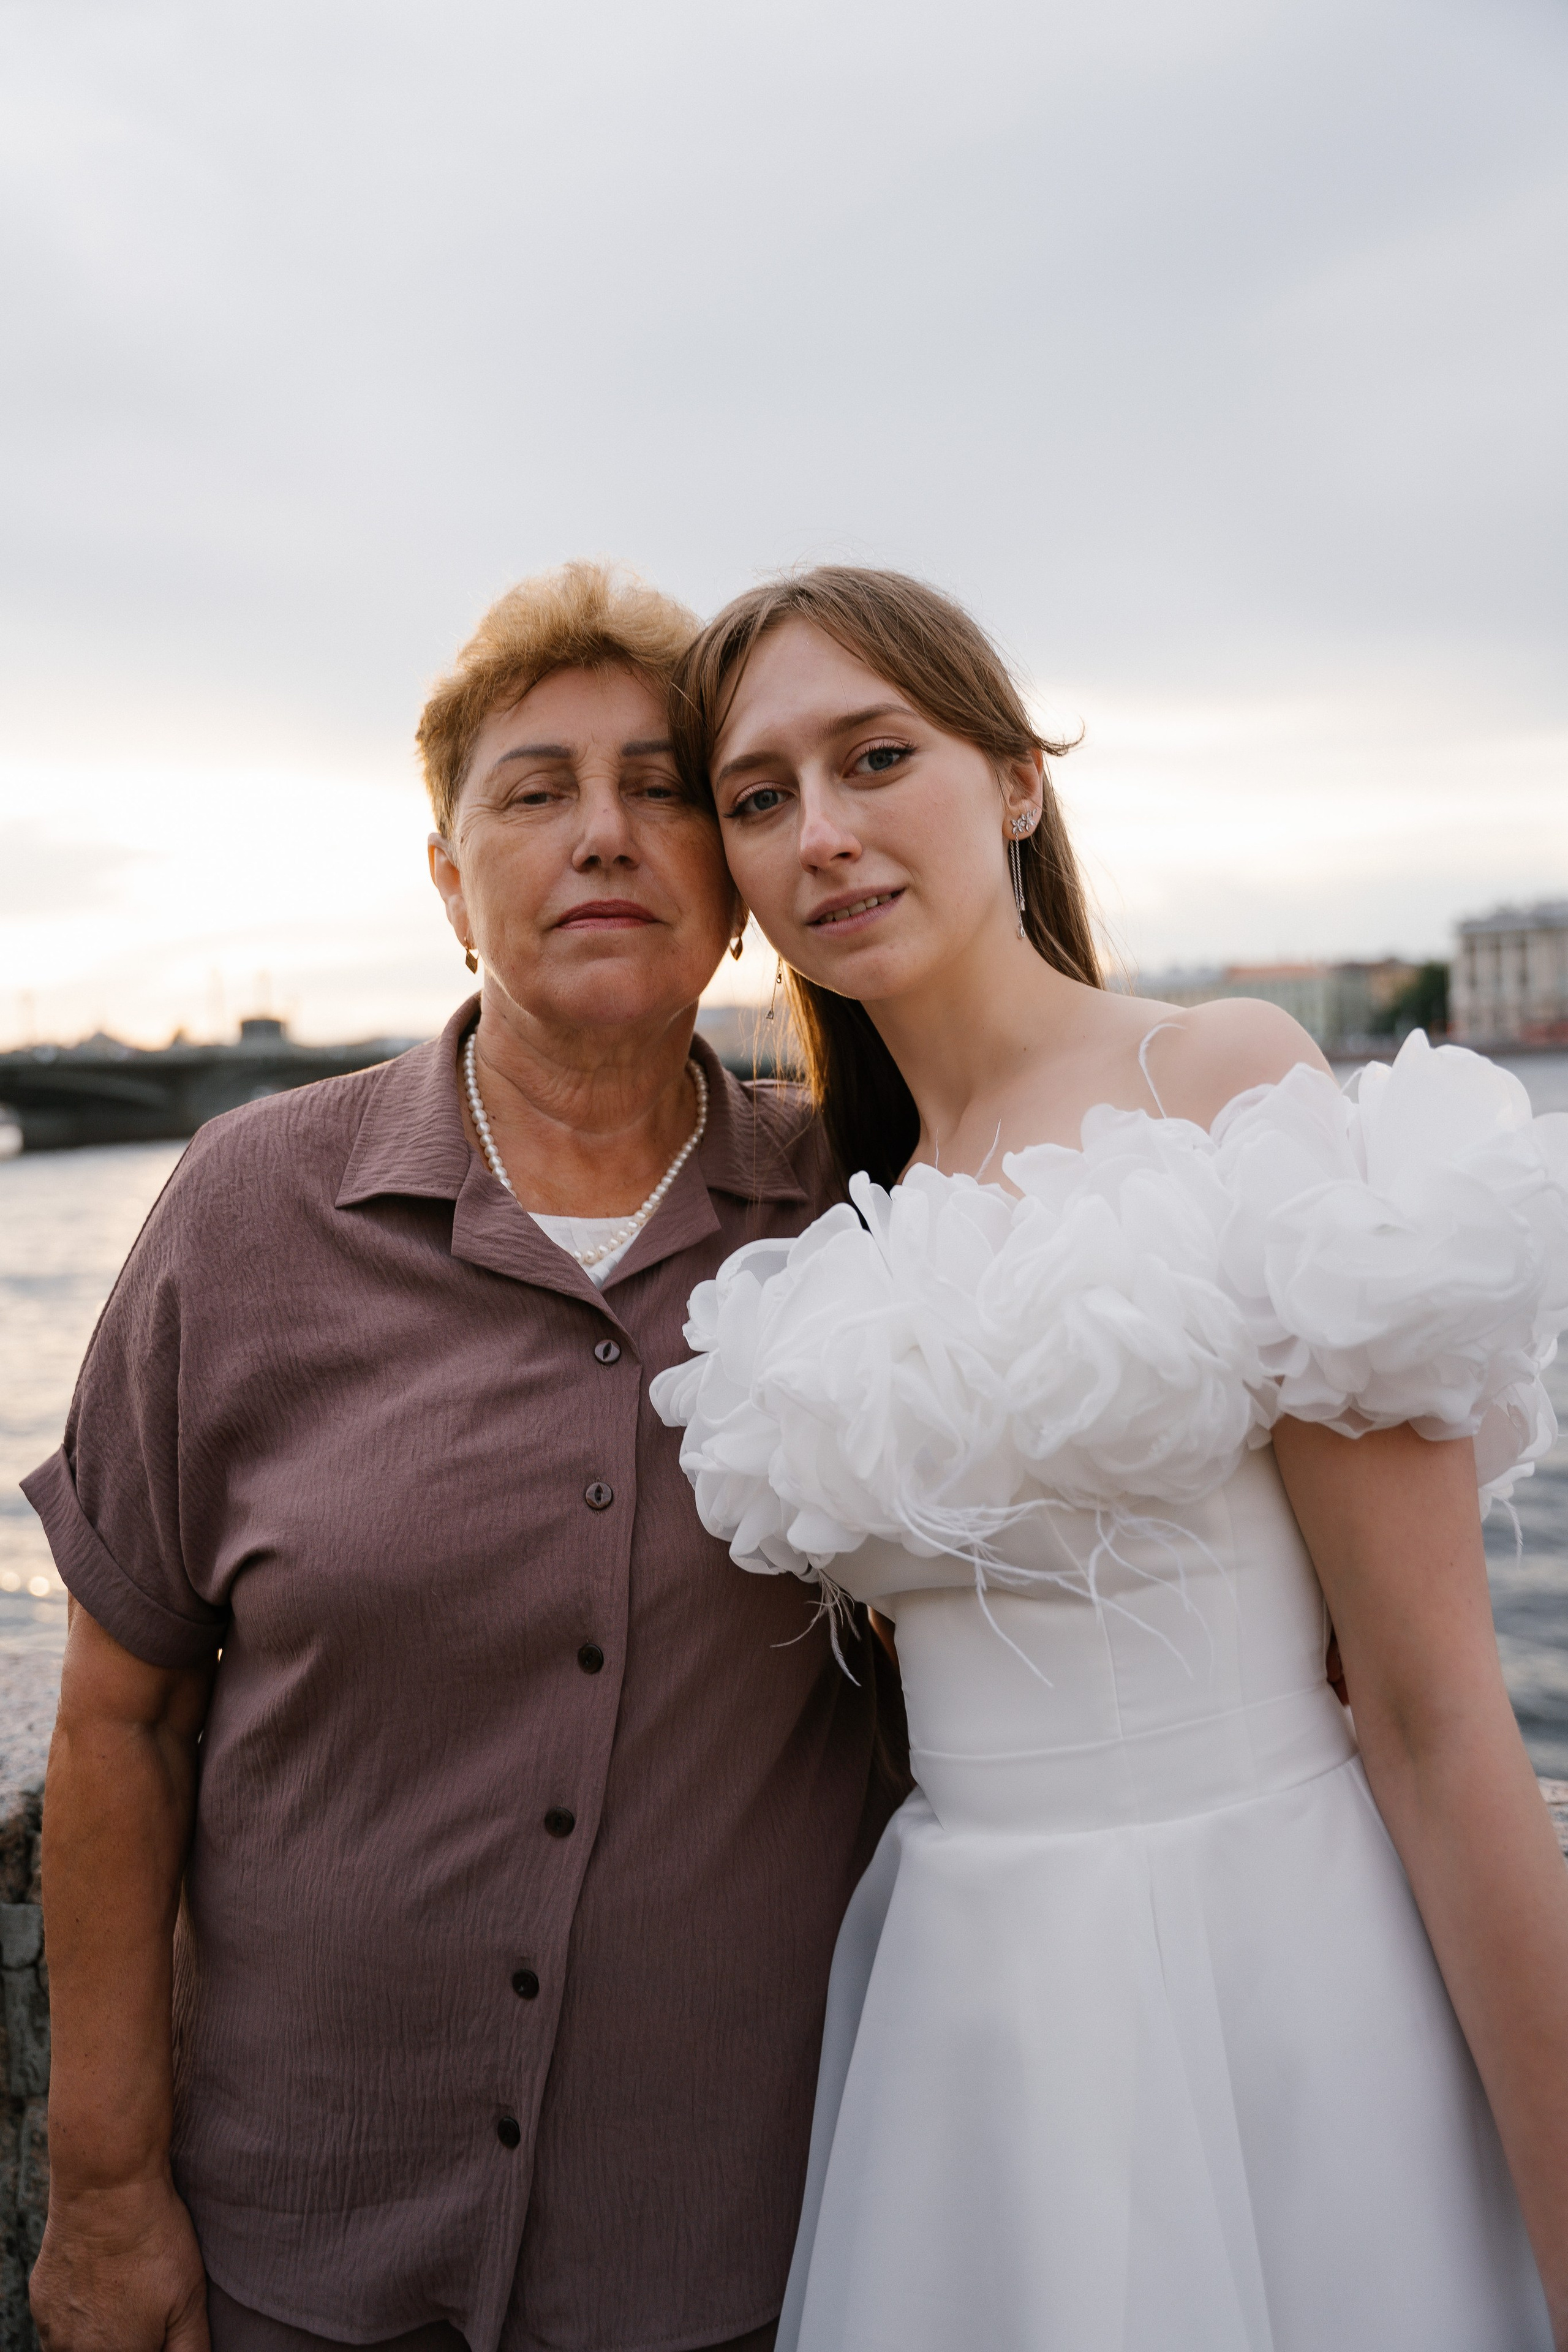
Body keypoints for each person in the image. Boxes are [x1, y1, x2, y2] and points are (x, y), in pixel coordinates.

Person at [654, 565, 1568, 2351]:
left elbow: (1439, 1711)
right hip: (972, 2016)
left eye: (876, 757)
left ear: (1016, 781)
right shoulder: (836, 1239)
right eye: (763, 798)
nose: (823, 831)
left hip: (1277, 1967)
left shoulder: (1220, 1076)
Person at [23, 562, 904, 2352]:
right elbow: (118, 1726)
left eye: (662, 787)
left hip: (746, 2261)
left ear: (738, 890)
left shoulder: (867, 1218)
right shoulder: (245, 1212)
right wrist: (106, 2202)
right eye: (533, 791)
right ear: (447, 880)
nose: (602, 835)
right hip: (302, 2263)